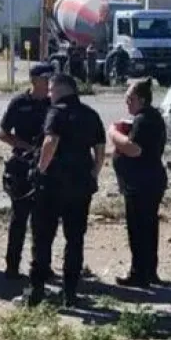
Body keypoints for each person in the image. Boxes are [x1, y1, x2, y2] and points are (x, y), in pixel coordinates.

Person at [28, 73, 106, 307]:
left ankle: (37, 292)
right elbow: (100, 150)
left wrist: (40, 170)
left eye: (51, 90)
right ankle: (70, 294)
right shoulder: (91, 114)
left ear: (62, 89)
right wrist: (93, 173)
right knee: (75, 240)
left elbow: (50, 142)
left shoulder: (56, 112)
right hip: (80, 185)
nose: (49, 94)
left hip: (52, 184)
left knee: (42, 238)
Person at [109, 78, 168, 287]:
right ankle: (149, 271)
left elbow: (134, 149)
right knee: (148, 227)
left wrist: (114, 133)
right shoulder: (150, 117)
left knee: (139, 229)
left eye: (130, 99)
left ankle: (139, 274)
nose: (127, 102)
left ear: (142, 100)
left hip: (142, 183)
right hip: (148, 180)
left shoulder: (144, 119)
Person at [0, 62, 54, 280]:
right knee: (19, 219)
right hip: (22, 165)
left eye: (50, 79)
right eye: (44, 79)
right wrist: (27, 146)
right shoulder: (19, 103)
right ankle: (12, 265)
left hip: (46, 166)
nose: (48, 83)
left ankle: (42, 266)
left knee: (44, 221)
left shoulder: (53, 104)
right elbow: (3, 134)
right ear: (34, 80)